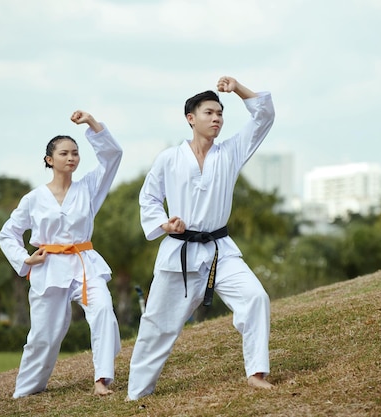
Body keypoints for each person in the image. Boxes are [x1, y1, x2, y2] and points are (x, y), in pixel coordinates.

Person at [126, 76, 275, 401]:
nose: (217, 118)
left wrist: (236, 89)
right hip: (179, 252)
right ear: (191, 118)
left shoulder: (231, 152)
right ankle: (137, 393)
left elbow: (264, 114)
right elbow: (148, 199)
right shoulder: (169, 158)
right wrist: (165, 224)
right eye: (209, 113)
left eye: (220, 113)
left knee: (255, 298)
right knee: (157, 325)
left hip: (221, 252)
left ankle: (257, 373)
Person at [0, 110, 123, 398]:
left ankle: (102, 379)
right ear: (49, 160)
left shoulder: (90, 187)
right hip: (49, 268)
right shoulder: (33, 199)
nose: (71, 158)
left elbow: (113, 155)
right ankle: (27, 389)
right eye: (64, 153)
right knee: (43, 336)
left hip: (84, 264)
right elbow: (8, 233)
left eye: (76, 153)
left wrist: (92, 124)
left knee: (103, 309)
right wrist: (25, 259)